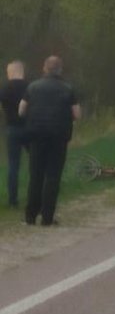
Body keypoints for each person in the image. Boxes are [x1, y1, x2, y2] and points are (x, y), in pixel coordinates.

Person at [19, 56, 81, 226]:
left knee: (36, 175)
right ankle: (47, 218)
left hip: (36, 135)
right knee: (53, 176)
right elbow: (77, 114)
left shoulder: (32, 87)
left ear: (44, 69)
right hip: (59, 137)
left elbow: (21, 110)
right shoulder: (68, 89)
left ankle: (30, 216)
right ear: (60, 70)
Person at [0, 61, 28, 208]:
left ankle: (12, 200)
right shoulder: (30, 86)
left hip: (12, 129)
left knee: (13, 165)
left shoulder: (4, 89)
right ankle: (37, 195)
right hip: (31, 128)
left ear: (10, 72)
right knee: (36, 163)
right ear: (22, 71)